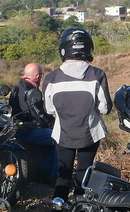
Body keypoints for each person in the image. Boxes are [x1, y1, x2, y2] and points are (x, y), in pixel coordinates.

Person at [42, 28, 111, 202]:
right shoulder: (97, 74)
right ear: (88, 48)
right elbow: (104, 108)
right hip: (90, 134)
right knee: (84, 175)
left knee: (63, 176)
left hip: (62, 134)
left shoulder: (51, 78)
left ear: (64, 49)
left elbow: (49, 109)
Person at [8, 62, 57, 183]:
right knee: (59, 138)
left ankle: (44, 171)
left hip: (23, 129)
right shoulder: (29, 92)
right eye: (41, 75)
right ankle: (54, 176)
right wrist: (54, 125)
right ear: (37, 76)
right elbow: (37, 115)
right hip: (28, 130)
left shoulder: (18, 88)